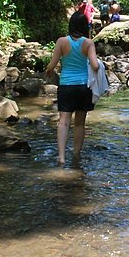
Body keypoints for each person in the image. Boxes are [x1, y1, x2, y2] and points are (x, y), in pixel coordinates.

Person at [46, 10, 101, 166]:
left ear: (70, 25)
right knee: (79, 123)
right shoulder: (88, 43)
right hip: (84, 87)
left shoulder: (62, 41)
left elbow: (53, 63)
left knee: (63, 122)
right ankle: (76, 154)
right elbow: (95, 66)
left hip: (66, 85)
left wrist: (49, 72)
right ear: (85, 26)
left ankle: (62, 157)